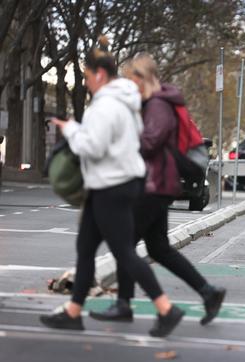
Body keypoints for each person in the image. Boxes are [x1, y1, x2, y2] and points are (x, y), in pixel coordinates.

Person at [40, 37, 184, 337]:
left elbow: (92, 147)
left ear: (100, 74)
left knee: (124, 252)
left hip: (112, 186)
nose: (87, 82)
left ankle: (166, 309)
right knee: (86, 248)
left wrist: (71, 129)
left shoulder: (107, 105)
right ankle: (73, 311)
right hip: (112, 184)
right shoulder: (126, 102)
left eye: (87, 76)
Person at [87, 53, 226, 326]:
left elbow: (150, 143)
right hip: (159, 183)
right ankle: (208, 293)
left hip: (153, 184)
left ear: (141, 77)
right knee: (159, 248)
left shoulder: (159, 105)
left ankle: (125, 305)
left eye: (131, 79)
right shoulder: (154, 102)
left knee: (125, 246)